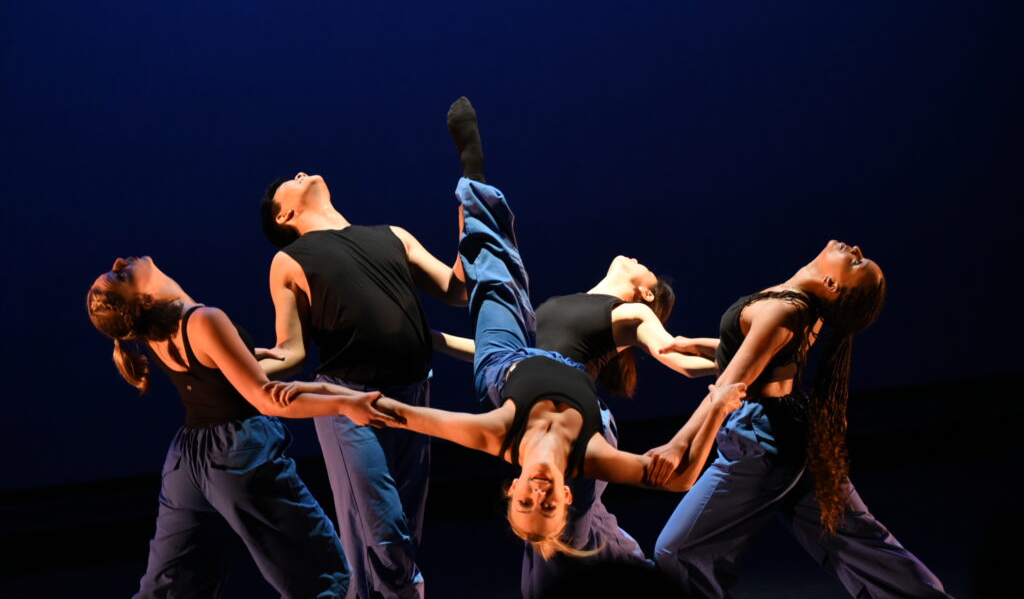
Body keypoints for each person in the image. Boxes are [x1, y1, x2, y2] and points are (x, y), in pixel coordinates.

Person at [267, 97, 746, 569]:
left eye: (526, 502)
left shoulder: (499, 436)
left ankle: (472, 174)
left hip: (495, 363)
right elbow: (675, 477)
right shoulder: (594, 451)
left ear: (512, 488)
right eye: (547, 504)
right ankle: (606, 560)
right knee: (399, 531)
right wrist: (719, 398)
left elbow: (408, 399)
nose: (538, 493)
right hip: (538, 356)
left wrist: (312, 391)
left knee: (494, 289)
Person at [650, 241, 950, 597]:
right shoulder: (804, 307)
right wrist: (697, 344)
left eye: (856, 261)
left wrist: (677, 444)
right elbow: (767, 356)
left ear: (832, 284)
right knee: (857, 543)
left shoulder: (785, 311)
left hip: (762, 445)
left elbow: (731, 385)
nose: (854, 248)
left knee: (678, 553)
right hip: (792, 435)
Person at [86, 256, 391, 598]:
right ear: (144, 300)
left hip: (186, 465)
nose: (120, 261)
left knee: (172, 587)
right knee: (321, 574)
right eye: (120, 274)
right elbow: (266, 400)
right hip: (237, 456)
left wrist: (248, 355)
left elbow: (217, 373)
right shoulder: (203, 320)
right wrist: (345, 403)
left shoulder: (156, 329)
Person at [257, 168, 467, 598]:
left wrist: (470, 225)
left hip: (414, 397)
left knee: (401, 528)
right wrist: (236, 366)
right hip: (349, 402)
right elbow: (290, 350)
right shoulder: (290, 259)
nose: (300, 173)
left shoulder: (392, 235)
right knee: (383, 530)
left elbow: (457, 289)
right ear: (285, 216)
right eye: (288, 182)